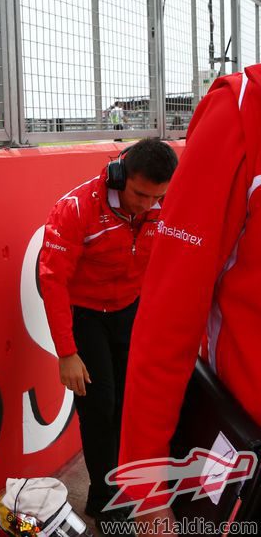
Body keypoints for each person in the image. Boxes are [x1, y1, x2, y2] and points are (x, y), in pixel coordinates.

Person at [120, 66, 261, 535]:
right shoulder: (241, 110)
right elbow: (167, 317)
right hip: (247, 464)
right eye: (140, 193)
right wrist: (146, 490)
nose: (146, 203)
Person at [37, 138, 178, 530]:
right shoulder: (76, 208)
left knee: (131, 404)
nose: (147, 205)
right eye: (139, 194)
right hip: (86, 316)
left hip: (130, 309)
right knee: (100, 409)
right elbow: (53, 282)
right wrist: (67, 353)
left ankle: (128, 485)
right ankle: (105, 501)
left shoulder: (166, 205)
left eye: (157, 197)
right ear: (119, 175)